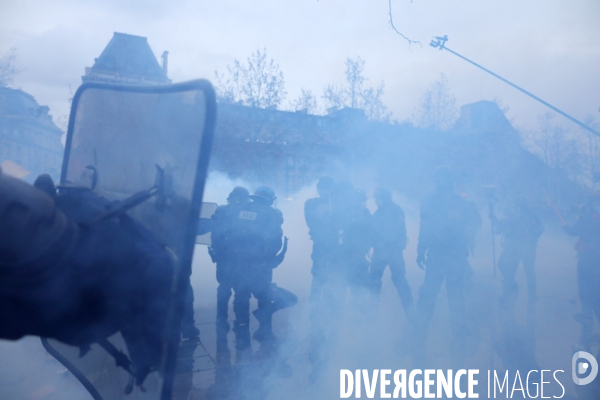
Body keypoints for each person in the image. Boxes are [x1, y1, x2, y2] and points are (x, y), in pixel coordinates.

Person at [415, 166, 481, 363]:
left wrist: (421, 249)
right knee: (450, 294)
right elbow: (426, 226)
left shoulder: (449, 201)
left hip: (447, 254)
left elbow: (475, 221)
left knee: (439, 293)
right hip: (446, 254)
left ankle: (422, 331)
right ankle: (445, 332)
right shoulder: (456, 201)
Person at [229, 186, 291, 348]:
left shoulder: (238, 210)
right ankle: (264, 331)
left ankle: (241, 329)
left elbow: (227, 233)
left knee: (241, 296)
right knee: (264, 298)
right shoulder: (271, 214)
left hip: (238, 262)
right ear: (270, 199)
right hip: (260, 265)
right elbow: (275, 239)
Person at [206, 187, 251, 331]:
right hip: (235, 256)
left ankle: (223, 319)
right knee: (239, 289)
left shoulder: (223, 210)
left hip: (228, 256)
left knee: (227, 288)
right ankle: (240, 320)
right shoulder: (232, 211)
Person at [369, 188, 413, 319]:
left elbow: (397, 232)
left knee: (391, 280)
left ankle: (409, 312)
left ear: (383, 198)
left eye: (378, 198)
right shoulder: (386, 211)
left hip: (390, 252)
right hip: (386, 251)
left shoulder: (390, 211)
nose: (376, 201)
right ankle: (410, 312)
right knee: (380, 280)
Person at [490, 195, 544, 302]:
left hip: (522, 247)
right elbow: (501, 227)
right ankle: (513, 292)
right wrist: (494, 218)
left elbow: (540, 228)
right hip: (517, 247)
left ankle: (510, 294)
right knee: (520, 271)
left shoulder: (523, 216)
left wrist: (533, 238)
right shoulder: (517, 215)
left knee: (522, 271)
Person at [563, 195, 600, 349]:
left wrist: (565, 226)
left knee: (585, 290)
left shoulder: (585, 219)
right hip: (596, 259)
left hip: (587, 260)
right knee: (596, 290)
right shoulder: (594, 219)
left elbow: (572, 231)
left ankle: (587, 317)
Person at [304, 177, 337, 307]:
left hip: (332, 244)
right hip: (322, 243)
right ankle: (317, 298)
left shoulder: (337, 203)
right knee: (319, 271)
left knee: (330, 271)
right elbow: (310, 222)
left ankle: (325, 298)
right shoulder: (312, 203)